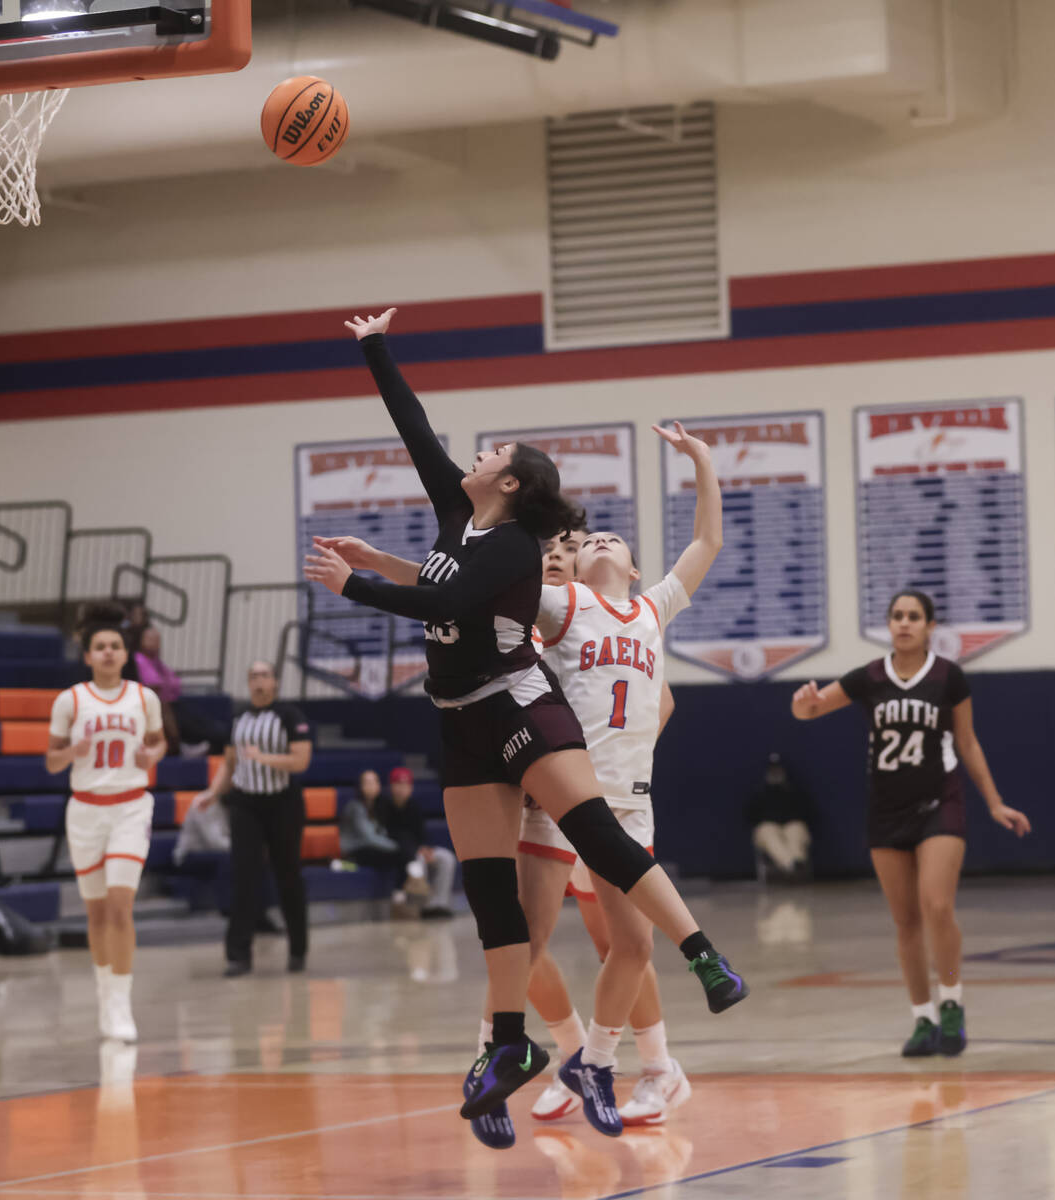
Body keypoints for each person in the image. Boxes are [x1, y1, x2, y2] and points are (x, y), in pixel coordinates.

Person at [303, 306, 747, 1136]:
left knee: (618, 901)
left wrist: (357, 584)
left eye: (496, 453)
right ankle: (512, 1047)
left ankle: (688, 974)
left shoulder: (545, 568)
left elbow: (447, 599)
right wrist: (374, 347)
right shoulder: (489, 543)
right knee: (495, 902)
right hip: (462, 719)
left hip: (534, 722)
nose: (480, 452)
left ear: (509, 483)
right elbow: (417, 435)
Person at [791, 589, 1031, 1057]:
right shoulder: (869, 677)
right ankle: (922, 1018)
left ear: (930, 626)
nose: (904, 623)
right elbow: (811, 709)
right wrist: (803, 703)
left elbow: (968, 743)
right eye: (897, 616)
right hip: (885, 810)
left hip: (940, 803)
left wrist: (995, 802)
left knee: (937, 906)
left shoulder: (948, 677)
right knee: (905, 923)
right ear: (890, 624)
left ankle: (953, 1002)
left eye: (914, 616)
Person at [520, 526, 690, 1130]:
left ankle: (657, 1066)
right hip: (535, 796)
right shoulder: (523, 625)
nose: (560, 559)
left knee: (618, 943)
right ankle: (572, 1055)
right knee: (519, 938)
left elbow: (660, 699)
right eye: (551, 553)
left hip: (599, 798)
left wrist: (616, 764)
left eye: (571, 550)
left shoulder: (600, 617)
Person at [45, 604, 167, 1042]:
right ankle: (103, 992)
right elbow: (51, 762)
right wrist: (71, 753)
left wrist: (151, 756)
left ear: (124, 652)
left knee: (120, 905)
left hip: (131, 807)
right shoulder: (71, 700)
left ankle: (121, 1003)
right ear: (88, 656)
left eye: (115, 646)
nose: (109, 652)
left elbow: (158, 743)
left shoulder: (144, 697)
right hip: (85, 810)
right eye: (100, 647)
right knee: (95, 913)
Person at [192, 661, 313, 977]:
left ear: (274, 682)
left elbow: (301, 761)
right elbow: (229, 764)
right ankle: (238, 955)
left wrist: (264, 758)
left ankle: (298, 949)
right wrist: (212, 793)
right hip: (246, 805)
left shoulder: (290, 716)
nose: (259, 681)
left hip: (283, 804)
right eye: (253, 676)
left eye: (264, 675)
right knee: (243, 876)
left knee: (288, 876)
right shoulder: (239, 718)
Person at [339, 767, 430, 916]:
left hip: (371, 850)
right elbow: (369, 838)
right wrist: (398, 847)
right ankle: (409, 887)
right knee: (401, 854)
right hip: (355, 851)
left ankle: (400, 898)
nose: (372, 785)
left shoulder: (378, 806)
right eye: (367, 782)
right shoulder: (355, 807)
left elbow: (383, 832)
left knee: (400, 856)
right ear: (360, 786)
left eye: (375, 781)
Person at [377, 766, 458, 919]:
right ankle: (423, 906)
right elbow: (392, 835)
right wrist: (418, 849)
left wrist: (426, 848)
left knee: (447, 857)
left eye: (405, 785)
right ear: (391, 786)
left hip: (418, 848)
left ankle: (439, 904)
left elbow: (421, 834)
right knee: (417, 861)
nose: (402, 789)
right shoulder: (384, 806)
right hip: (402, 852)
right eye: (398, 784)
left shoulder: (414, 806)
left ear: (411, 788)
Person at [134, 625, 222, 757]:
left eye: (158, 639)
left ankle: (190, 743)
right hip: (158, 705)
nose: (155, 642)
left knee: (214, 724)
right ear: (141, 640)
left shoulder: (157, 662)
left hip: (174, 702)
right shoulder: (139, 659)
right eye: (151, 639)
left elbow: (174, 683)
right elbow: (155, 685)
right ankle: (182, 746)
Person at [745, 752, 815, 882]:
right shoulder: (759, 794)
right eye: (772, 769)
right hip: (768, 827)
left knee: (796, 829)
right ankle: (790, 863)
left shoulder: (794, 792)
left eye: (777, 769)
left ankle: (797, 861)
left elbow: (807, 814)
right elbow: (750, 816)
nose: (775, 772)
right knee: (768, 832)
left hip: (790, 825)